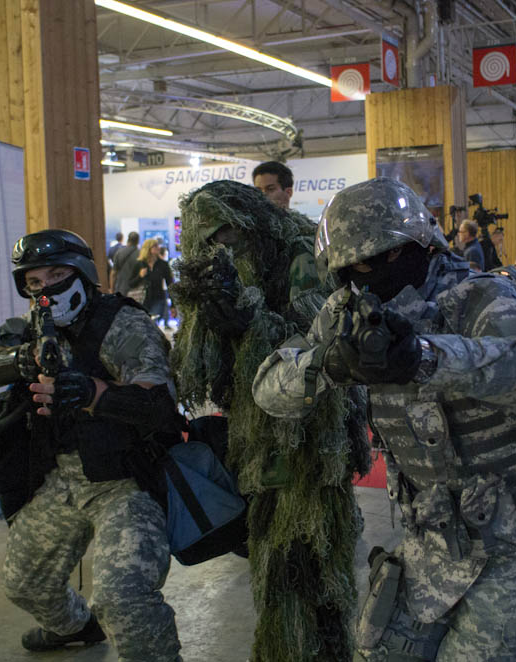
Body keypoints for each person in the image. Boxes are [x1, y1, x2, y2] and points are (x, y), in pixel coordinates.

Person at [253, 177, 516, 661]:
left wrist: (423, 357)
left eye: (374, 260)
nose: (360, 279)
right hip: (436, 529)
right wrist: (326, 365)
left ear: (413, 247)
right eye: (347, 270)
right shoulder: (348, 309)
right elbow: (269, 390)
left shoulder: (483, 296)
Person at [0, 229, 183, 661]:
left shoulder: (125, 324)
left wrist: (96, 394)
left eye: (57, 274)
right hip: (63, 483)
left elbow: (162, 406)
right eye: (35, 282)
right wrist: (16, 362)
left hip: (125, 483)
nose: (46, 289)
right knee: (25, 583)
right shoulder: (28, 332)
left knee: (123, 597)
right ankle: (76, 627)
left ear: (82, 273)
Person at [169, 180, 370, 662]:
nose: (222, 248)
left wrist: (247, 323)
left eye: (227, 236)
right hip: (259, 436)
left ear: (249, 224)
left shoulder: (299, 254)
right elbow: (201, 369)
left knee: (301, 561)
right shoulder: (235, 262)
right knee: (282, 559)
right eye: (210, 241)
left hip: (311, 439)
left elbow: (320, 347)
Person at [129, 238, 173, 322]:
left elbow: (170, 283)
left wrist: (173, 305)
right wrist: (140, 276)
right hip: (142, 299)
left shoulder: (163, 264)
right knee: (144, 324)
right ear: (148, 248)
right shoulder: (139, 264)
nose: (158, 247)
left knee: (153, 323)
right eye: (155, 246)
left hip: (159, 298)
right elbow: (131, 284)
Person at [109, 231, 139, 295]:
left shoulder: (119, 253)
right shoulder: (140, 254)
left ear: (128, 239)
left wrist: (112, 289)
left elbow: (113, 273)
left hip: (121, 288)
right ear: (137, 241)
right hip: (136, 290)